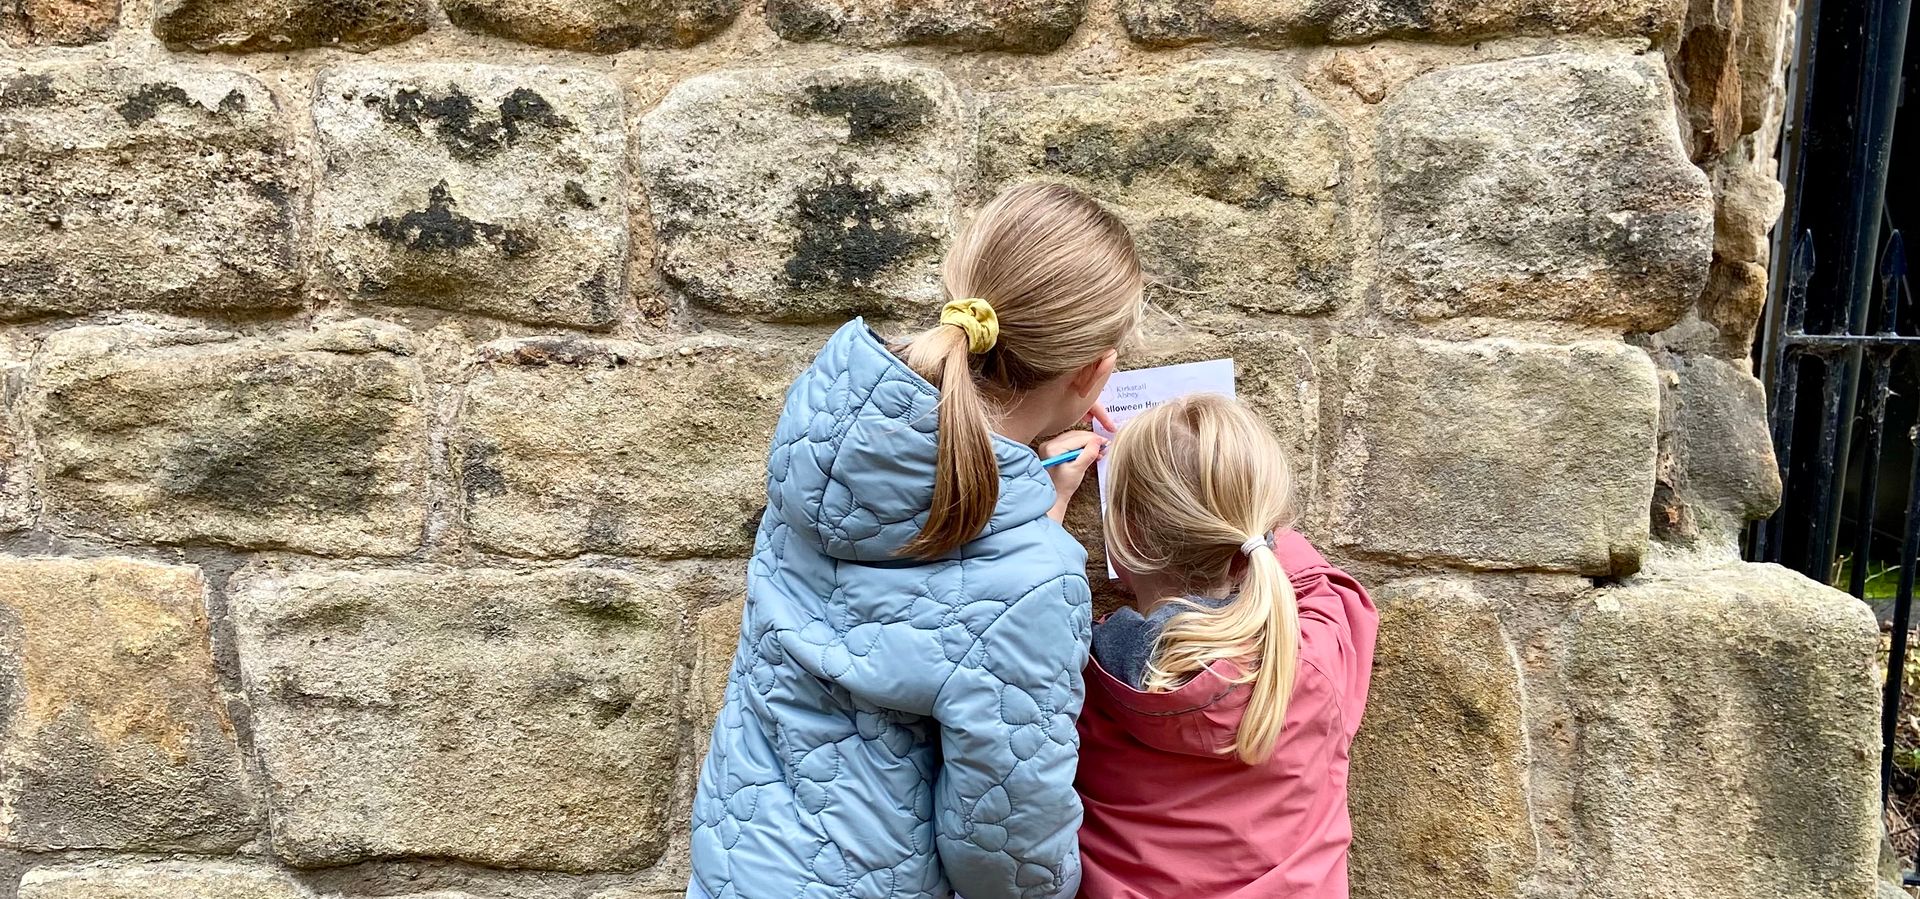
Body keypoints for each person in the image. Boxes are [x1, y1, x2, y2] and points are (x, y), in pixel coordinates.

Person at [688, 182, 1143, 899]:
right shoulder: (1037, 580)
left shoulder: (829, 432)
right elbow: (1003, 862)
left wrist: (1037, 510)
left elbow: (933, 599)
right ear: (1096, 371)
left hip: (740, 863)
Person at [1076, 394, 1379, 899]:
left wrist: (1049, 506)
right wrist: (1234, 494)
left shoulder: (1075, 677)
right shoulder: (1321, 651)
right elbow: (1320, 577)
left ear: (1126, 534)